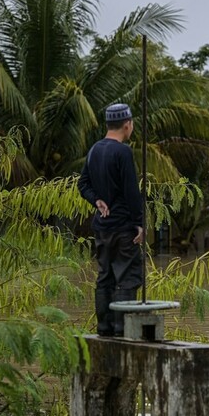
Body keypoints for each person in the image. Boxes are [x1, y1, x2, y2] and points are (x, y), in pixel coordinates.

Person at [78, 103, 144, 337]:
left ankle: (104, 329)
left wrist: (96, 200)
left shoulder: (94, 150)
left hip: (102, 227)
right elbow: (131, 191)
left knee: (105, 276)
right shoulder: (123, 152)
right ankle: (121, 330)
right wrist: (139, 223)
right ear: (127, 125)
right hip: (124, 228)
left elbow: (82, 184)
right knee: (127, 277)